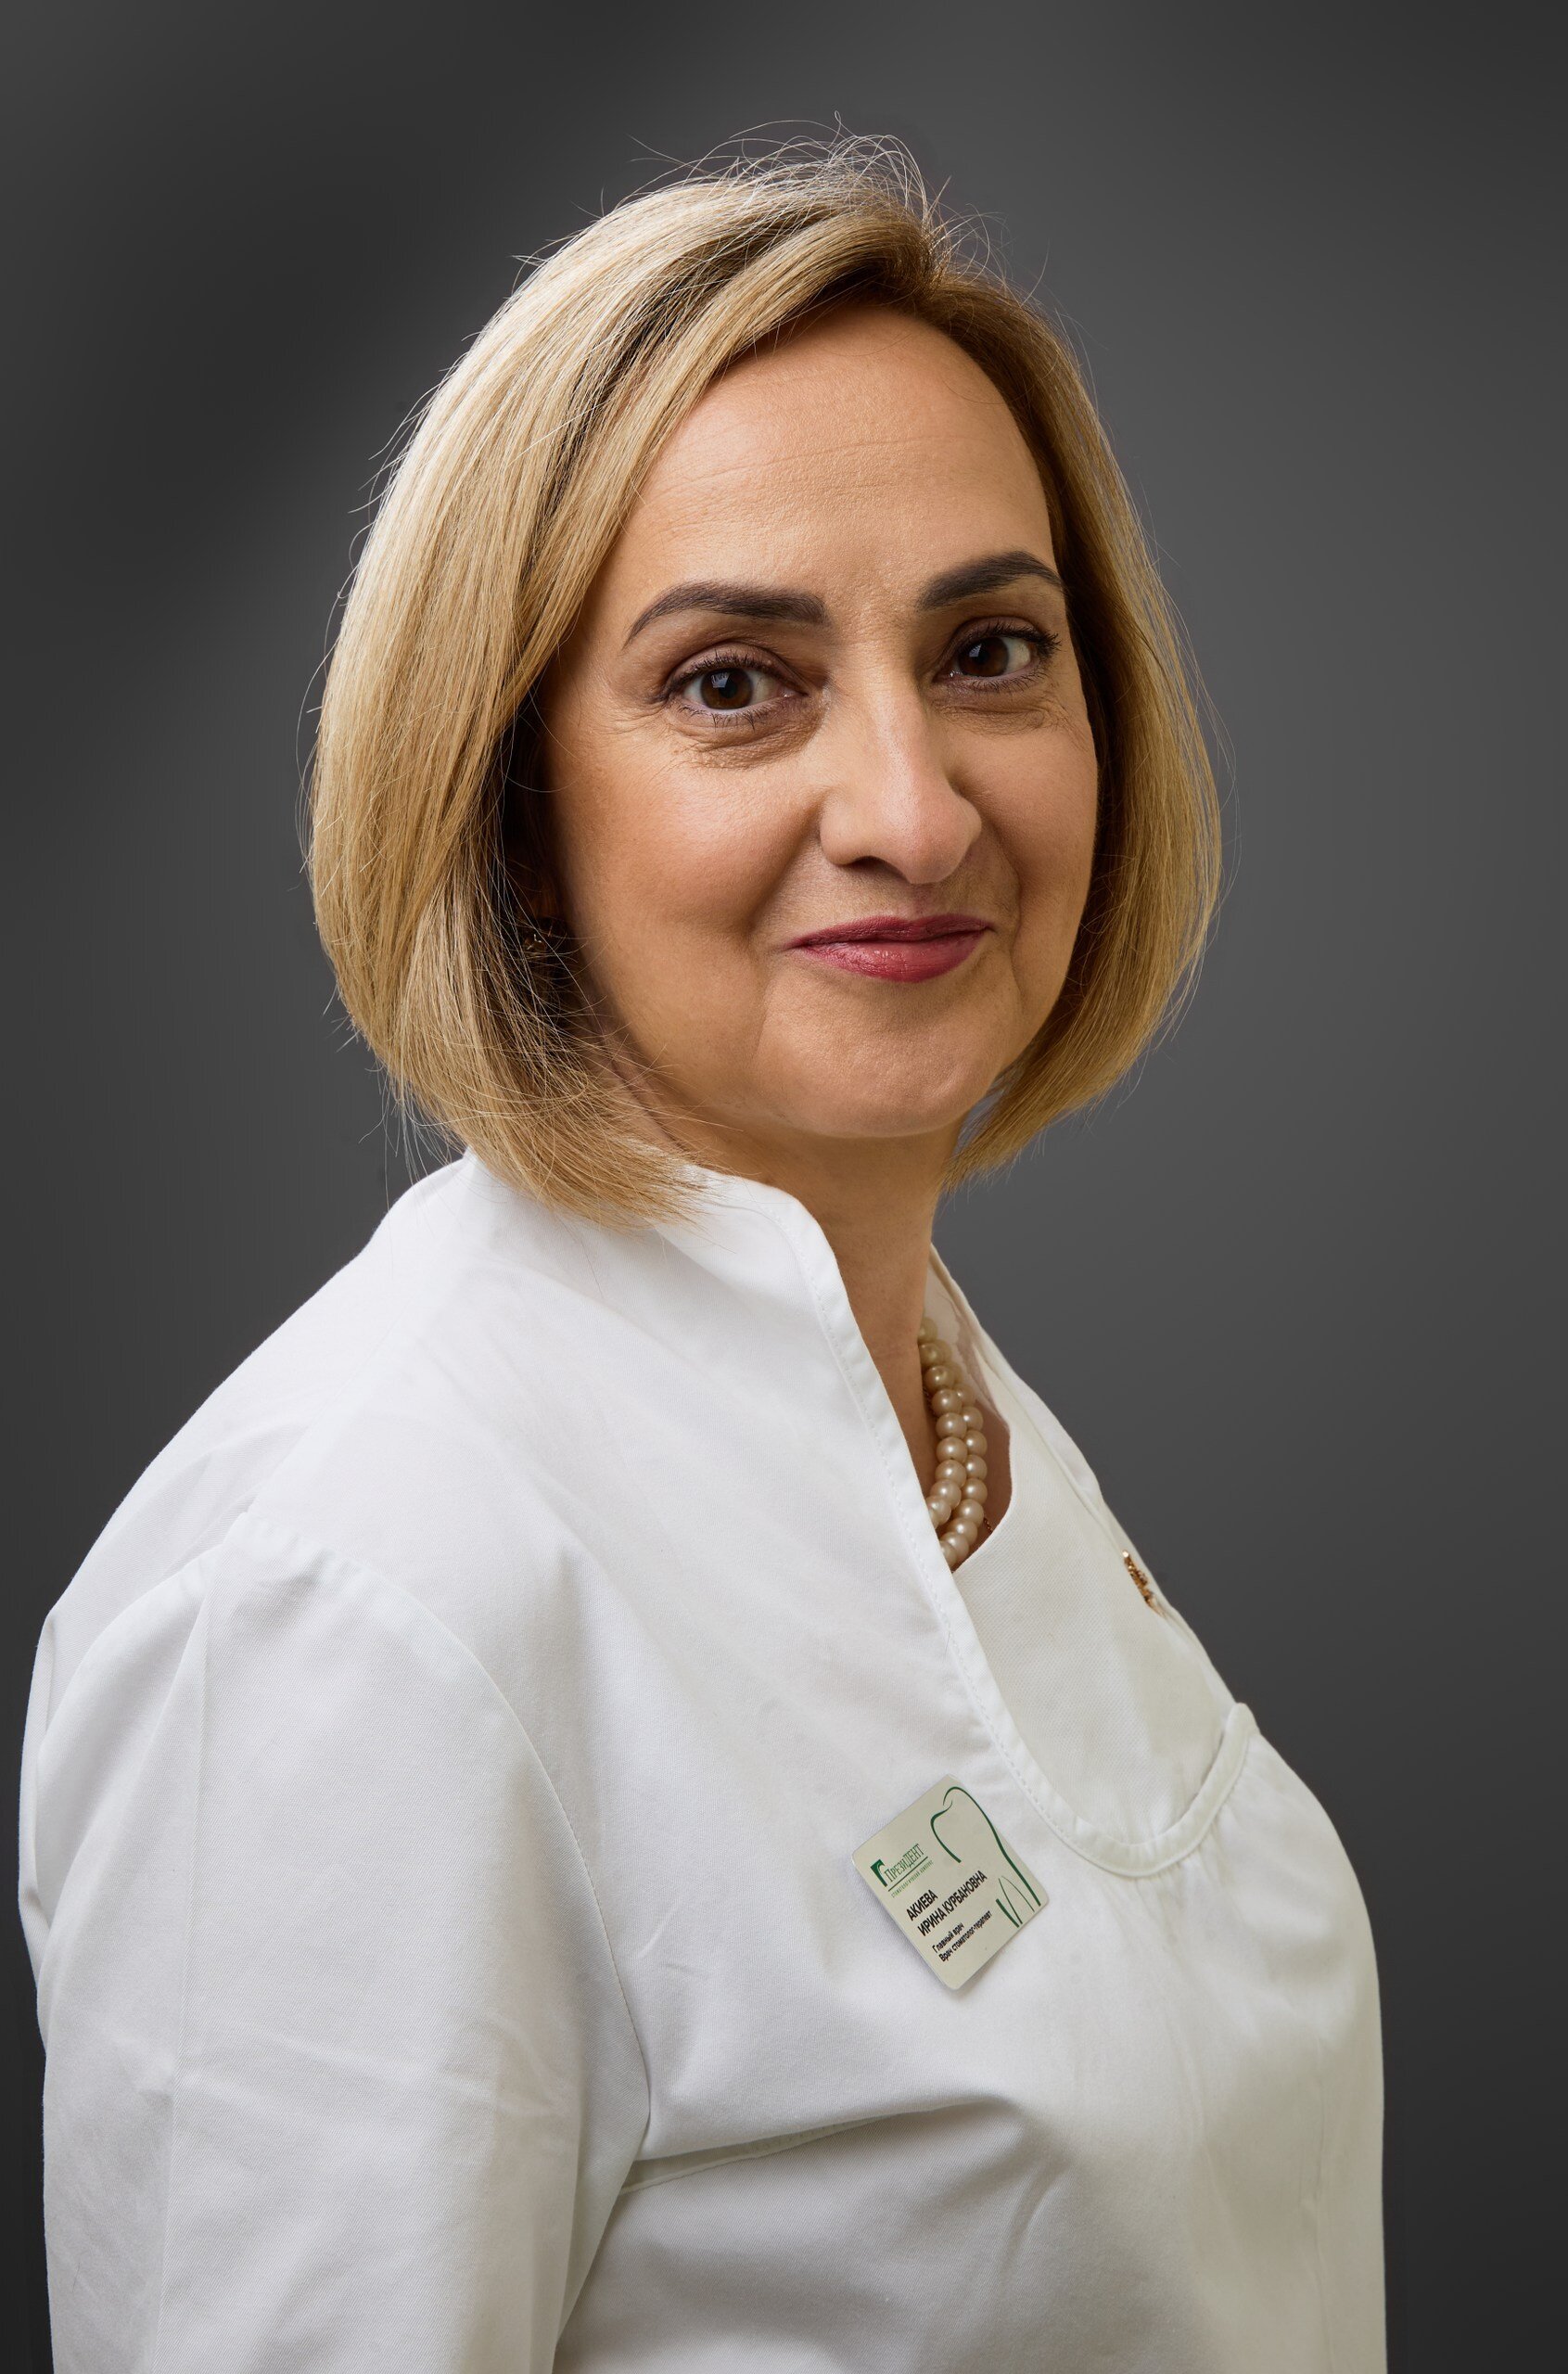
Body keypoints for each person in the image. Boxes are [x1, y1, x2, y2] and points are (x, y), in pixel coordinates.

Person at [18, 144, 1385, 2370]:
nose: (914, 809)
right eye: (736, 682)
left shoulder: (946, 1422)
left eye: (991, 652)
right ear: (512, 809)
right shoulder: (350, 1587)